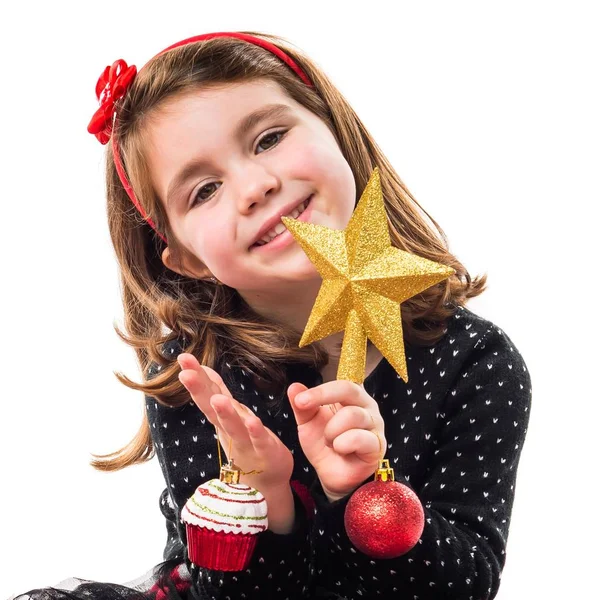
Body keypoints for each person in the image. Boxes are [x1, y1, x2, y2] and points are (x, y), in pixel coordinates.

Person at [15, 31, 532, 600]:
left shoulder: (475, 362)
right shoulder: (194, 381)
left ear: (335, 129)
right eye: (205, 189)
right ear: (187, 258)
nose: (256, 186)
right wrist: (265, 496)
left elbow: (467, 584)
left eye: (269, 139)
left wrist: (363, 494)